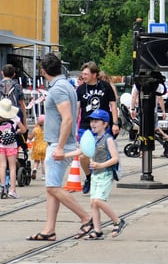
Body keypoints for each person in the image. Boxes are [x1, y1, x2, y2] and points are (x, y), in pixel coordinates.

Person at [27, 52, 93, 241]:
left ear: (43, 71)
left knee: (53, 187)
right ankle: (49, 229)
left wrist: (60, 147)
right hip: (58, 142)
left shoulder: (58, 89)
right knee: (51, 187)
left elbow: (68, 118)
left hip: (58, 143)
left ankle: (85, 218)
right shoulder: (66, 85)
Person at [66, 109, 127, 239]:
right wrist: (63, 155)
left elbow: (115, 158)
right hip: (95, 175)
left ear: (105, 124)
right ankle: (97, 230)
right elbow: (80, 151)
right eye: (91, 121)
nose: (92, 124)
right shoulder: (91, 139)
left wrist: (100, 165)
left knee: (99, 201)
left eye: (96, 121)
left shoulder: (108, 139)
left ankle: (117, 221)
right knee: (93, 202)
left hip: (105, 174)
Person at [76, 61, 120, 194]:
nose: (83, 76)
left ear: (94, 74)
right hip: (86, 125)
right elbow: (77, 109)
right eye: (82, 73)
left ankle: (109, 171)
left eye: (86, 74)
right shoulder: (80, 89)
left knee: (103, 153)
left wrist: (115, 123)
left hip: (103, 124)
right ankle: (89, 177)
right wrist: (73, 126)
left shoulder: (105, 87)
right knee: (83, 155)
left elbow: (113, 105)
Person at [0, 98, 24, 198]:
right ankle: (12, 190)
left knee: (2, 166)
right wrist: (16, 132)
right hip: (12, 146)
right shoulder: (15, 118)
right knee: (12, 167)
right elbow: (23, 130)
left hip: (1, 145)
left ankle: (2, 188)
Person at [1, 64, 28, 137]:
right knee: (14, 140)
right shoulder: (17, 87)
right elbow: (22, 106)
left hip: (1, 116)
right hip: (14, 116)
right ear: (14, 74)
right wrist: (25, 123)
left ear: (2, 73)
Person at [29, 114, 47, 180]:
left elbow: (30, 138)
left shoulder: (35, 129)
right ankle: (43, 176)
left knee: (36, 161)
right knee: (43, 162)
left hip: (36, 147)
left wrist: (27, 135)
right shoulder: (47, 130)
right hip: (44, 147)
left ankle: (34, 169)